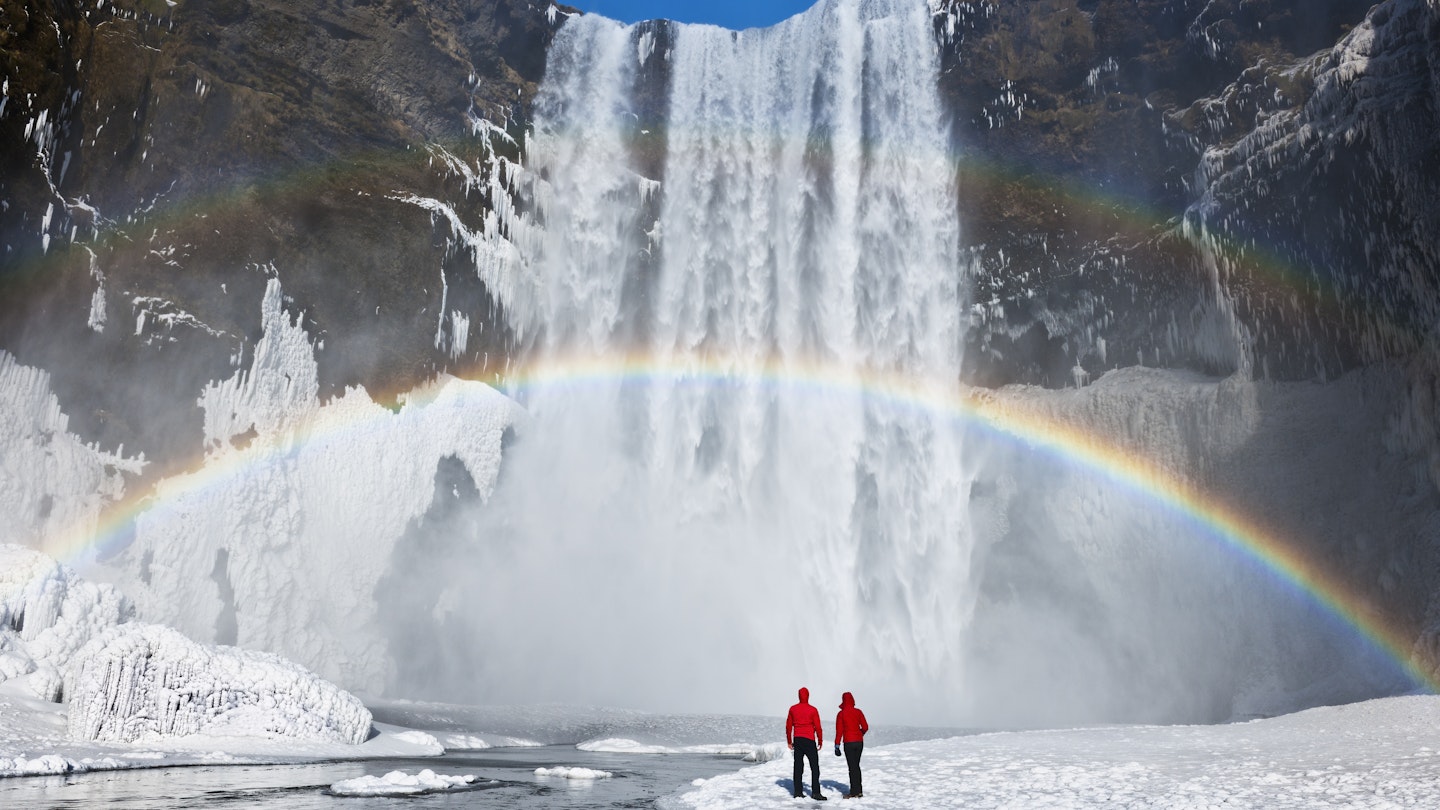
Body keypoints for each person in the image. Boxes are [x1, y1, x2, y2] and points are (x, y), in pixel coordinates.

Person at [786, 687, 827, 800]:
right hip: (809, 740)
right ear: (808, 696)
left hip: (798, 740)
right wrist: (820, 741)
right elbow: (818, 727)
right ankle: (816, 792)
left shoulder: (793, 709)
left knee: (798, 766)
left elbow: (789, 726)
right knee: (814, 767)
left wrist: (789, 741)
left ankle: (798, 792)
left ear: (799, 696)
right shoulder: (813, 710)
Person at [833, 691, 869, 798]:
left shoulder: (841, 714)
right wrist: (860, 734)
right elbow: (865, 727)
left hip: (848, 742)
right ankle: (859, 790)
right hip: (859, 742)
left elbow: (839, 731)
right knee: (856, 766)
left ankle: (854, 792)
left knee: (852, 767)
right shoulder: (858, 712)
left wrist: (837, 745)